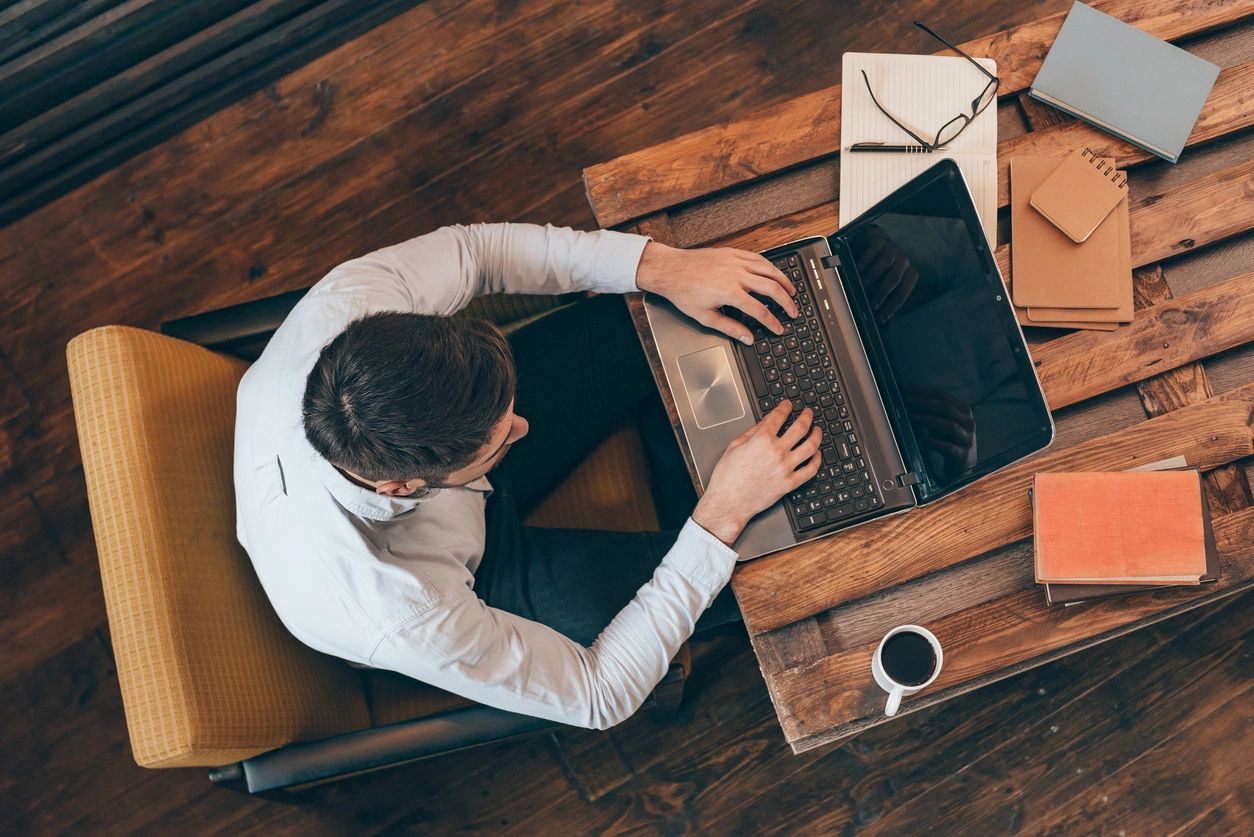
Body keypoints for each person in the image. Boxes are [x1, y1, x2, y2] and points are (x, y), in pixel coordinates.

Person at [234, 223, 823, 730]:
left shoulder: (351, 306)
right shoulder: (404, 613)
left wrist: (660, 266)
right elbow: (600, 694)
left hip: (439, 453)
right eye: (500, 440)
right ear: (402, 487)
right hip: (474, 580)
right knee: (769, 566)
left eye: (508, 412)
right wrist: (721, 516)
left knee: (654, 311)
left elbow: (474, 252)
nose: (523, 428)